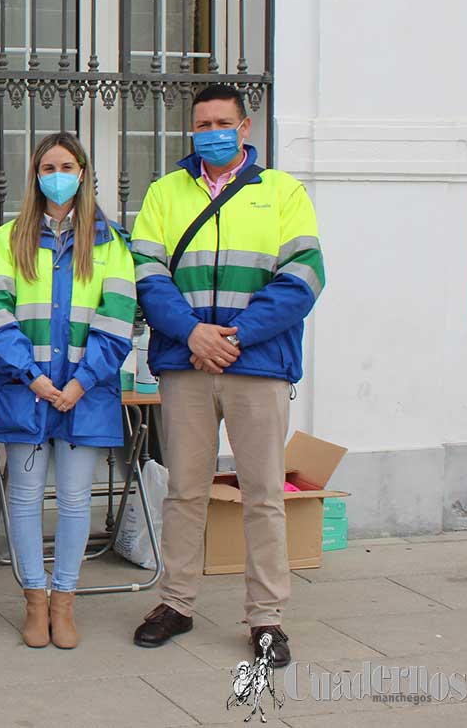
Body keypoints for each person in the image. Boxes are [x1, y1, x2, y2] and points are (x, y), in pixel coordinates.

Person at [129, 84, 324, 668]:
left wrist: (233, 337)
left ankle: (266, 618)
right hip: (185, 363)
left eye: (222, 121)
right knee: (185, 490)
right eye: (201, 123)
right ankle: (176, 603)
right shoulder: (165, 192)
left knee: (262, 495)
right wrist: (192, 333)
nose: (211, 130)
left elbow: (304, 278)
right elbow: (146, 272)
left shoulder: (283, 192)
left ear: (245, 126)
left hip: (257, 362)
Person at [0, 132, 136, 649]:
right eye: (48, 166)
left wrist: (79, 382)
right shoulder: (7, 239)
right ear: (35, 176)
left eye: (66, 165)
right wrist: (37, 379)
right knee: (24, 498)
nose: (57, 174)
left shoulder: (111, 242)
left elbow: (119, 319)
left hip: (86, 394)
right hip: (28, 389)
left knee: (72, 500)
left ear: (84, 173)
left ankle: (65, 601)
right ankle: (34, 601)